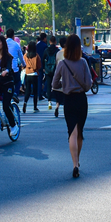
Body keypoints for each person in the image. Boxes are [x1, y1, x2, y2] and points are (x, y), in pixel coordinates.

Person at [52, 34, 92, 178]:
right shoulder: (83, 63)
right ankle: (78, 161)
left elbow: (54, 84)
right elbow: (88, 84)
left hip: (68, 100)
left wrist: (66, 85)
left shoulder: (62, 64)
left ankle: (74, 164)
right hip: (81, 99)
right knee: (80, 132)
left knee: (72, 133)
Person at [22, 44, 41, 112]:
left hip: (27, 74)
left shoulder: (25, 56)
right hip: (34, 74)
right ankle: (35, 107)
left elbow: (23, 64)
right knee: (35, 91)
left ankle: (25, 102)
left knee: (27, 90)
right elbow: (39, 66)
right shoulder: (36, 55)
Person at [5, 30, 24, 96]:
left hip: (5, 69)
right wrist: (24, 65)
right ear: (13, 36)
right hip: (14, 68)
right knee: (18, 81)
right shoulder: (16, 45)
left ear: (6, 36)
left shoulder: (3, 44)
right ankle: (15, 94)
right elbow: (21, 57)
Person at [43, 35, 60, 110]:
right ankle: (57, 102)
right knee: (56, 86)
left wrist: (44, 68)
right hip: (55, 70)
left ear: (50, 42)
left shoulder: (46, 50)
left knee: (49, 86)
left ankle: (49, 101)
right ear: (55, 42)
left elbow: (43, 59)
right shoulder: (57, 51)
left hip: (47, 71)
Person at [35, 33, 49, 104]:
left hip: (37, 64)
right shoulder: (45, 46)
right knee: (47, 77)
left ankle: (39, 94)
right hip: (43, 64)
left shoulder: (37, 45)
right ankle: (44, 91)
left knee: (39, 79)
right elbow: (46, 56)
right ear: (44, 38)